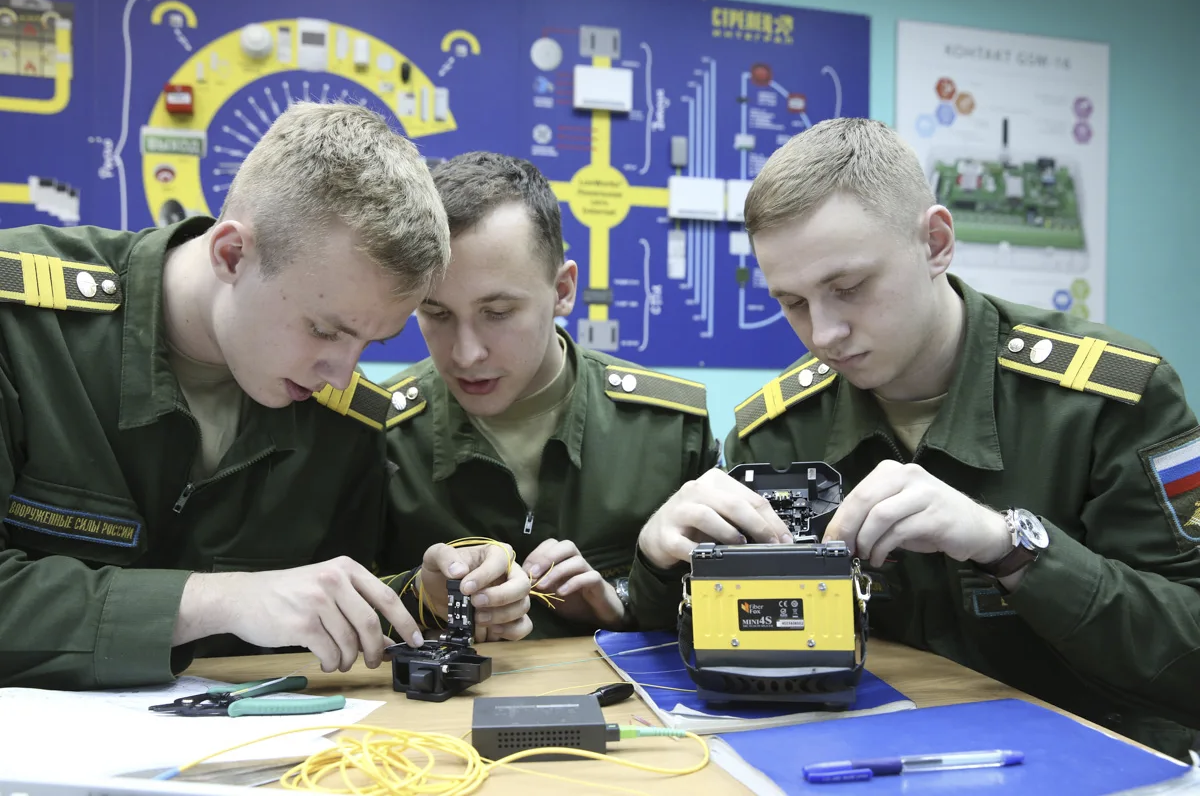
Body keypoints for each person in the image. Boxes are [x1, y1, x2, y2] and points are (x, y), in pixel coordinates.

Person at [650, 117, 1200, 759]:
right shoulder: (773, 431)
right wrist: (661, 563)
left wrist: (1011, 547)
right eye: (792, 302)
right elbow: (729, 654)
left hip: (1088, 764)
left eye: (848, 288)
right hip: (849, 761)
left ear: (936, 242)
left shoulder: (1111, 400)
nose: (823, 334)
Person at [0, 101, 519, 690]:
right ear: (231, 254)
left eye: (372, 342)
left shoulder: (345, 419)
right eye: (326, 330)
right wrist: (215, 600)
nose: (342, 375)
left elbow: (320, 608)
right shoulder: (23, 327)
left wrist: (423, 595)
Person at [381, 151, 780, 638]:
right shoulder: (378, 431)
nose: (465, 353)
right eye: (436, 314)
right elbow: (321, 602)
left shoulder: (669, 430)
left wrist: (624, 602)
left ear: (564, 290)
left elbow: (739, 611)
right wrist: (419, 594)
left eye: (499, 312)